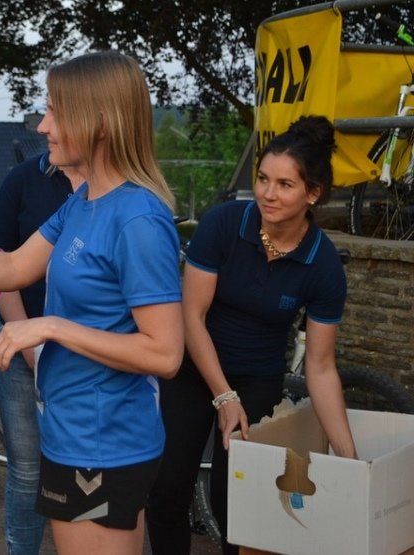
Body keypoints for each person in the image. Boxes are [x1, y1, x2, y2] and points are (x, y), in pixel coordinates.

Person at [0, 50, 184, 554]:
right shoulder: (86, 200)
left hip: (105, 441)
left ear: (99, 122)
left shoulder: (138, 218)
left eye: (54, 111)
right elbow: (11, 267)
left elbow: (165, 353)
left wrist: (50, 327)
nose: (43, 125)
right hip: (71, 431)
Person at [145, 115, 357, 555]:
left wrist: (349, 459)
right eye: (262, 179)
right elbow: (191, 316)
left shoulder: (322, 265)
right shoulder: (224, 224)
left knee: (237, 503)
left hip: (258, 379)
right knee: (166, 490)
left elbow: (320, 367)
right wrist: (223, 397)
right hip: (191, 370)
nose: (267, 193)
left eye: (285, 184)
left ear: (313, 194)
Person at [0, 152, 80, 554]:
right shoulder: (23, 179)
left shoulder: (118, 191)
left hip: (86, 359)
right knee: (28, 471)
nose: (44, 126)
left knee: (81, 469)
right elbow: (2, 264)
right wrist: (27, 340)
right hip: (24, 348)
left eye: (55, 119)